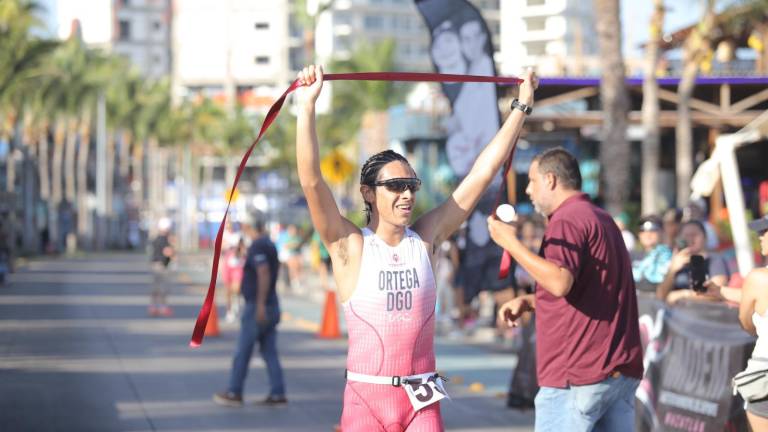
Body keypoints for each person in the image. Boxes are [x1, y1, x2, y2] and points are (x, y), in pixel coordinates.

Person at [295, 64, 536, 431]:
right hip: (366, 400)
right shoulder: (351, 246)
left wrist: (521, 107)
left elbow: (481, 174)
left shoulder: (426, 238)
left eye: (412, 185)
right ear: (368, 194)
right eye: (395, 187)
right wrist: (307, 107)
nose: (407, 194)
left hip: (422, 401)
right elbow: (312, 182)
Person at [486, 147, 644, 431]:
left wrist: (511, 243)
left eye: (532, 181)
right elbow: (590, 289)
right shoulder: (600, 217)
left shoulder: (567, 219)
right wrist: (532, 300)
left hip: (579, 373)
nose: (529, 190)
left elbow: (560, 281)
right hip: (614, 370)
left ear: (550, 180)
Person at [214, 211, 286, 407]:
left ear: (249, 228)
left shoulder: (258, 246)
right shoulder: (269, 244)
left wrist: (260, 305)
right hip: (271, 303)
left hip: (258, 305)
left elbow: (263, 273)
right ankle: (278, 393)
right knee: (269, 350)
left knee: (243, 350)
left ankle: (234, 391)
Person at [655, 219, 730, 304]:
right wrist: (672, 270)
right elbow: (660, 295)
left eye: (694, 235)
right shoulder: (676, 260)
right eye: (686, 235)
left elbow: (719, 293)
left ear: (705, 238)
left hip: (706, 314)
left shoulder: (714, 260)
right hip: (675, 314)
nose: (690, 239)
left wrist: (684, 294)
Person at [631, 215, 672, 294]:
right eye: (642, 230)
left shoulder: (671, 257)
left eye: (653, 230)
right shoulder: (630, 256)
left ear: (662, 232)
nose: (647, 234)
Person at [149, 217, 175, 317]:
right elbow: (168, 252)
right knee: (163, 287)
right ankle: (163, 307)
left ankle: (153, 307)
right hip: (162, 266)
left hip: (155, 264)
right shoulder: (164, 239)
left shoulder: (156, 238)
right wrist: (173, 251)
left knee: (156, 287)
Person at [221, 222, 245, 323]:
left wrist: (240, 251)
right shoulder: (223, 235)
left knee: (237, 288)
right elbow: (219, 248)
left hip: (238, 263)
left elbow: (243, 248)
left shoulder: (240, 235)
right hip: (227, 262)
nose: (229, 227)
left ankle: (237, 303)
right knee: (228, 290)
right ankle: (229, 311)